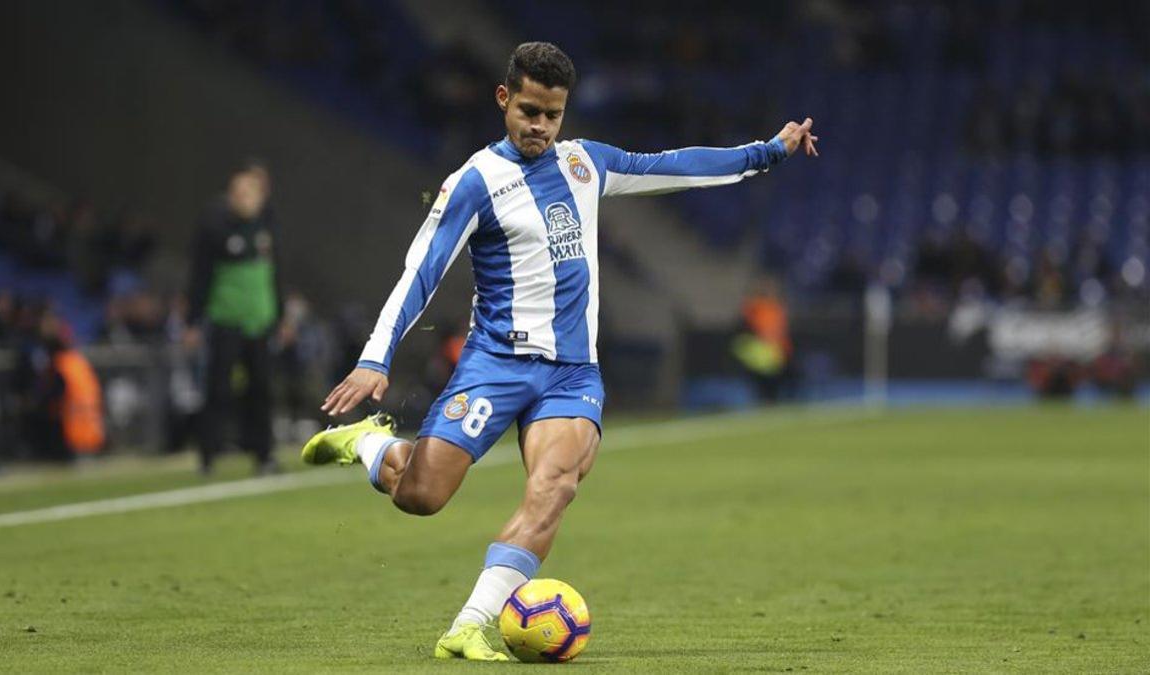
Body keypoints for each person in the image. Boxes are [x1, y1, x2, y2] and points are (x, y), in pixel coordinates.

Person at [302, 42, 818, 661]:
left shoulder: (584, 164)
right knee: (422, 496)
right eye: (527, 111)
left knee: (555, 485)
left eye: (551, 115)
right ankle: (370, 443)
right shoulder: (475, 182)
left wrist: (767, 152)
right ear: (504, 100)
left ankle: (471, 624)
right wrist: (375, 359)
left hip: (571, 372)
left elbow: (674, 165)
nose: (539, 127)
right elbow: (422, 271)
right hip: (495, 363)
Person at [185, 160, 282, 475]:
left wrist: (280, 316)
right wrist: (192, 320)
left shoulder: (268, 224)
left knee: (262, 389)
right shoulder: (215, 225)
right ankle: (207, 456)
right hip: (226, 319)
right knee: (218, 388)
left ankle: (264, 454)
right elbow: (200, 275)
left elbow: (275, 274)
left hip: (260, 320)